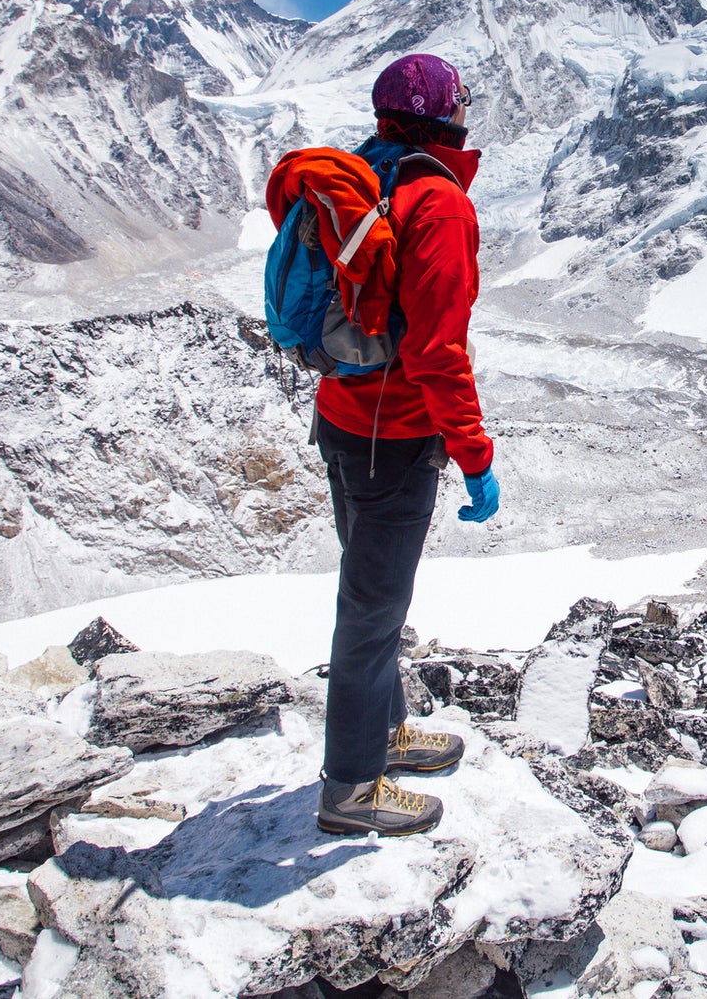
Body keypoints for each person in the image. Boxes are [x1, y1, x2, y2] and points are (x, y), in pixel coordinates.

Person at [314, 52, 500, 837]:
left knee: (373, 598)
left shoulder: (360, 181)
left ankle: (384, 734)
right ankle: (352, 788)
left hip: (341, 418)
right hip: (397, 438)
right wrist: (476, 454)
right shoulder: (438, 204)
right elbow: (436, 353)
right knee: (373, 607)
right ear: (445, 115)